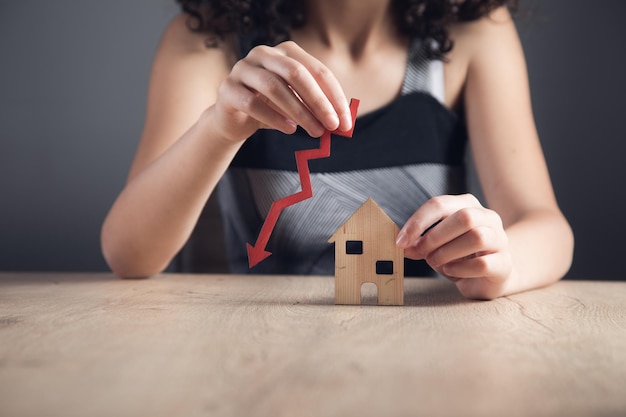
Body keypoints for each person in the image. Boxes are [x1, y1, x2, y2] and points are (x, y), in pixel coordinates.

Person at [100, 0, 574, 299]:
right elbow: (128, 254)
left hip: (426, 350)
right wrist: (218, 128)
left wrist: (503, 261)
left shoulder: (478, 31)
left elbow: (547, 227)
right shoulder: (206, 40)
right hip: (252, 356)